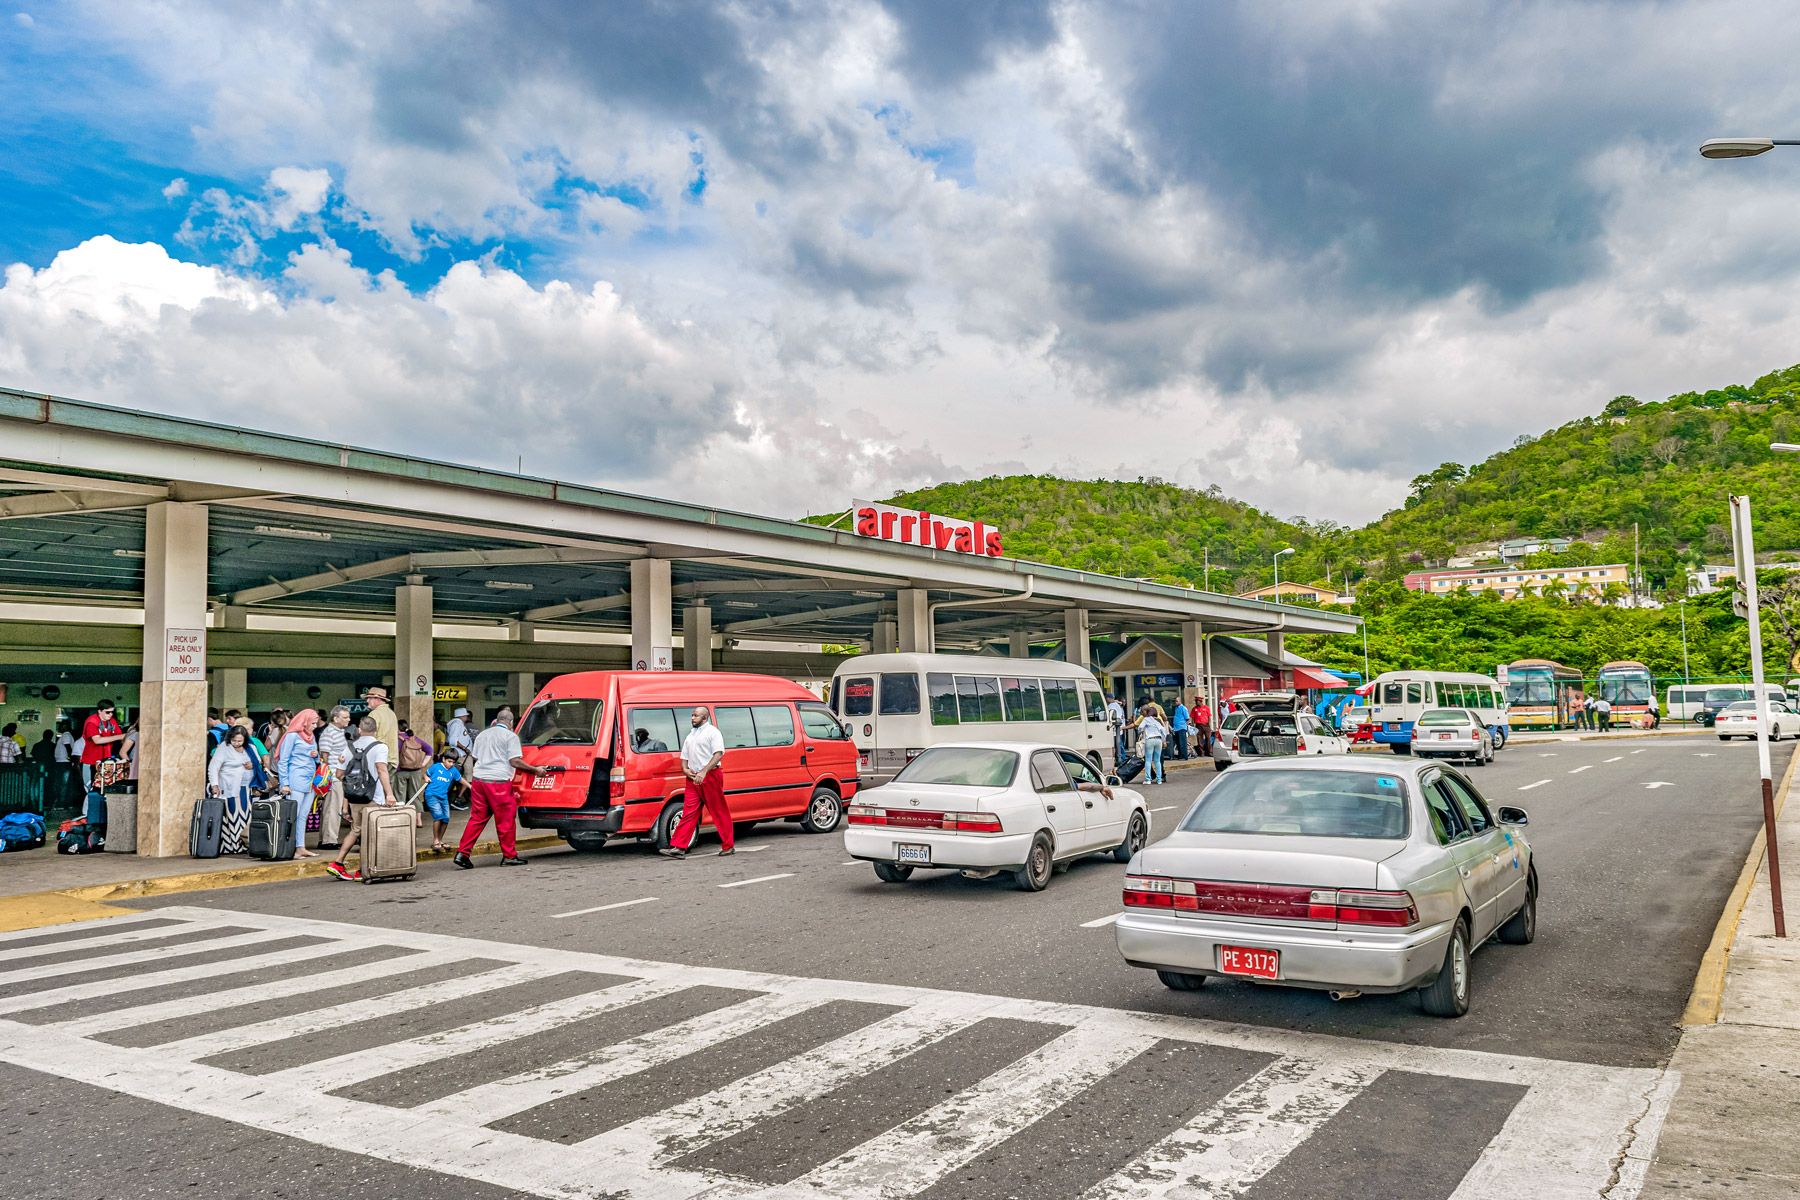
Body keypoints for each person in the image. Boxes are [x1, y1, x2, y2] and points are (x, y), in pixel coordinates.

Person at [453, 709, 546, 869]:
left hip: (479, 780)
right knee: (506, 820)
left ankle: (463, 853)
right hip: (499, 782)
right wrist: (535, 770)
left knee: (477, 818)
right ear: (511, 723)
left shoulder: (483, 735)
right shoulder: (510, 737)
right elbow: (515, 761)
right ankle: (509, 856)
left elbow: (475, 757)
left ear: (497, 720)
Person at [326, 715, 398, 882]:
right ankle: (362, 869)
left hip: (355, 797)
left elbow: (339, 774)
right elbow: (381, 769)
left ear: (359, 729)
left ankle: (338, 863)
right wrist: (390, 794)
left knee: (357, 829)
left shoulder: (349, 748)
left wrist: (345, 803)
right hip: (374, 797)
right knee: (370, 833)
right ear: (376, 730)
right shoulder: (380, 747)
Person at [661, 706, 731, 859]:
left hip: (710, 776)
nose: (692, 718)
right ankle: (678, 847)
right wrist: (685, 770)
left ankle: (728, 845)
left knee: (718, 811)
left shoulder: (713, 732)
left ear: (704, 718)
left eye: (696, 716)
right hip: (692, 777)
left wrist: (704, 771)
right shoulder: (691, 735)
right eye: (692, 715)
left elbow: (718, 754)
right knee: (689, 812)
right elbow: (684, 757)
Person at [271, 709, 322, 858]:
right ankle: (290, 847)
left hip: (310, 780)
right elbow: (283, 760)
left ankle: (301, 847)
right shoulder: (292, 736)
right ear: (304, 722)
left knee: (303, 815)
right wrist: (284, 783)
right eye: (312, 723)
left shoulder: (311, 736)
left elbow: (317, 759)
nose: (314, 726)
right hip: (295, 779)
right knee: (293, 814)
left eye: (315, 723)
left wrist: (316, 755)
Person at [207, 725, 259, 854]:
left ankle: (244, 844)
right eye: (234, 740)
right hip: (229, 787)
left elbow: (258, 761)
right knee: (232, 816)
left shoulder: (250, 748)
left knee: (246, 817)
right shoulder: (223, 748)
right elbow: (213, 767)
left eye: (240, 741)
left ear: (245, 739)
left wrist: (253, 764)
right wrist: (214, 785)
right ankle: (233, 846)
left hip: (247, 788)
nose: (236, 743)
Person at [315, 705, 353, 849]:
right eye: (345, 717)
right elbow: (324, 757)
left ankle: (327, 838)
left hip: (338, 775)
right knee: (332, 809)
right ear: (335, 718)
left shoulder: (338, 732)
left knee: (332, 808)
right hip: (332, 776)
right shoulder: (329, 733)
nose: (348, 720)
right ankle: (329, 840)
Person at [421, 748, 462, 852]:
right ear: (443, 759)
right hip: (431, 795)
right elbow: (425, 774)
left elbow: (460, 779)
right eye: (449, 761)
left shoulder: (453, 770)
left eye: (453, 762)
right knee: (438, 816)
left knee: (446, 818)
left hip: (443, 797)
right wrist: (426, 777)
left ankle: (440, 840)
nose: (451, 764)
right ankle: (435, 841)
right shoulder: (436, 767)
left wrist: (471, 787)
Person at [79, 699, 125, 790]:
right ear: (99, 711)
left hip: (107, 761)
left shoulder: (111, 721)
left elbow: (121, 737)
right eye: (107, 712)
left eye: (112, 712)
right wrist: (120, 737)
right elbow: (97, 740)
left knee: (106, 789)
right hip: (92, 762)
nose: (110, 714)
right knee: (92, 789)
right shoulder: (92, 722)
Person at [395, 720, 433, 812]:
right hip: (416, 771)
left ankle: (402, 816)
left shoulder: (396, 740)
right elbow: (430, 750)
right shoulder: (415, 739)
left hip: (400, 771)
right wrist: (422, 764)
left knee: (400, 796)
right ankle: (418, 820)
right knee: (415, 795)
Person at [363, 686, 400, 771]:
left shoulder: (374, 714)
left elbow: (368, 738)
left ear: (377, 699)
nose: (367, 701)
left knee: (377, 784)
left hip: (378, 760)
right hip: (392, 760)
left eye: (369, 698)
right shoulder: (392, 714)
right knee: (388, 784)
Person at [1136, 708, 1169, 785]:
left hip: (1150, 740)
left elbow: (1140, 727)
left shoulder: (1146, 719)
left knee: (1148, 760)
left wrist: (1141, 732)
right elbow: (1163, 731)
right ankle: (1159, 780)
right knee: (1157, 761)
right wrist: (1163, 740)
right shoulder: (1158, 720)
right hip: (1158, 740)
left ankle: (1148, 779)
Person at [1105, 694, 1127, 763]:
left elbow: (1111, 717)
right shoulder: (1117, 705)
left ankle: (1121, 759)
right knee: (1119, 744)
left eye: (1106, 698)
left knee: (1118, 745)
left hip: (1115, 728)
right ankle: (1121, 758)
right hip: (1119, 728)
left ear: (1108, 698)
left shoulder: (1111, 706)